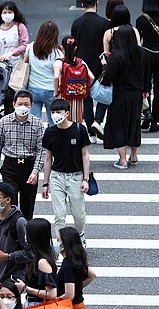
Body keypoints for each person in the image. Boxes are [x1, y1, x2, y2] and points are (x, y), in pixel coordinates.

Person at [0, 90, 45, 220]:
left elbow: (41, 150)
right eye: (20, 104)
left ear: (31, 105)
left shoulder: (38, 124)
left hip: (29, 167)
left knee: (28, 206)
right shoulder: (4, 121)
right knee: (10, 204)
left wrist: (35, 172)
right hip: (10, 166)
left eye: (26, 104)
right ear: (14, 104)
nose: (23, 107)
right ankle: (11, 235)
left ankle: (26, 235)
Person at [101, 24, 150, 169]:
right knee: (133, 124)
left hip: (119, 95)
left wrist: (104, 65)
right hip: (136, 95)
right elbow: (147, 75)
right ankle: (134, 156)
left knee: (119, 125)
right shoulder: (142, 53)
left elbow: (108, 77)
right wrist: (145, 89)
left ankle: (122, 160)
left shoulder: (116, 56)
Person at [41, 99, 91, 243]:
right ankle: (60, 245)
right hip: (57, 177)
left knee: (79, 215)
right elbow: (48, 158)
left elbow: (85, 154)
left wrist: (85, 179)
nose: (55, 115)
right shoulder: (50, 132)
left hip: (76, 176)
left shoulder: (79, 129)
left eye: (59, 112)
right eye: (53, 112)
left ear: (67, 113)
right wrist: (45, 183)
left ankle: (80, 234)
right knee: (59, 215)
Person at [71, 0, 110, 144]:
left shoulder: (77, 23)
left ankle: (89, 131)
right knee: (104, 95)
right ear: (97, 3)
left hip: (82, 66)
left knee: (86, 99)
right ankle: (98, 121)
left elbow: (74, 45)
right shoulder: (104, 23)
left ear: (82, 4)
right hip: (100, 65)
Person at [0, 2, 29, 114]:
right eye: (5, 12)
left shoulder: (19, 27)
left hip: (16, 67)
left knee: (12, 97)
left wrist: (12, 53)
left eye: (10, 12)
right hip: (0, 67)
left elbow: (24, 44)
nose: (7, 14)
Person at [136, 0, 159, 133]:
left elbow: (138, 41)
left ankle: (147, 114)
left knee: (145, 86)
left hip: (146, 55)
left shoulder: (141, 20)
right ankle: (156, 119)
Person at [24, 20, 63, 126]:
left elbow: (25, 63)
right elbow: (57, 75)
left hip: (33, 88)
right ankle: (52, 140)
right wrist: (57, 92)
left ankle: (36, 141)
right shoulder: (56, 53)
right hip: (50, 89)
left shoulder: (31, 47)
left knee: (34, 121)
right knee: (53, 121)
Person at [53, 36, 95, 123]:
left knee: (62, 121)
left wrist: (56, 91)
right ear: (76, 48)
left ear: (62, 47)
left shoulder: (59, 62)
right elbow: (92, 77)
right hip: (78, 96)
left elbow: (56, 77)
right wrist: (85, 88)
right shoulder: (81, 62)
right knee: (76, 122)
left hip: (64, 95)